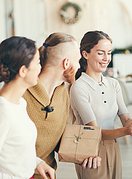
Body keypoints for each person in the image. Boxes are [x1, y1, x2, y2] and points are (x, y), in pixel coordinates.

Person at [70, 30, 132, 179]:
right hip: (90, 153)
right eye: (101, 53)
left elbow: (126, 120)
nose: (106, 58)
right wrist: (127, 131)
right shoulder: (79, 87)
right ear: (85, 54)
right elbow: (94, 131)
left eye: (109, 53)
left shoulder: (114, 84)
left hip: (113, 146)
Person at [23, 33, 101, 179]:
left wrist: (85, 154)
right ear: (66, 63)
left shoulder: (63, 93)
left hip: (48, 174)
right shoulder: (21, 94)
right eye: (77, 61)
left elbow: (61, 140)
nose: (79, 66)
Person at [0, 36, 55, 179]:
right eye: (38, 62)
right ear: (23, 71)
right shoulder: (1, 113)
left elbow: (14, 150)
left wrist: (37, 163)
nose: (40, 67)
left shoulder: (20, 103)